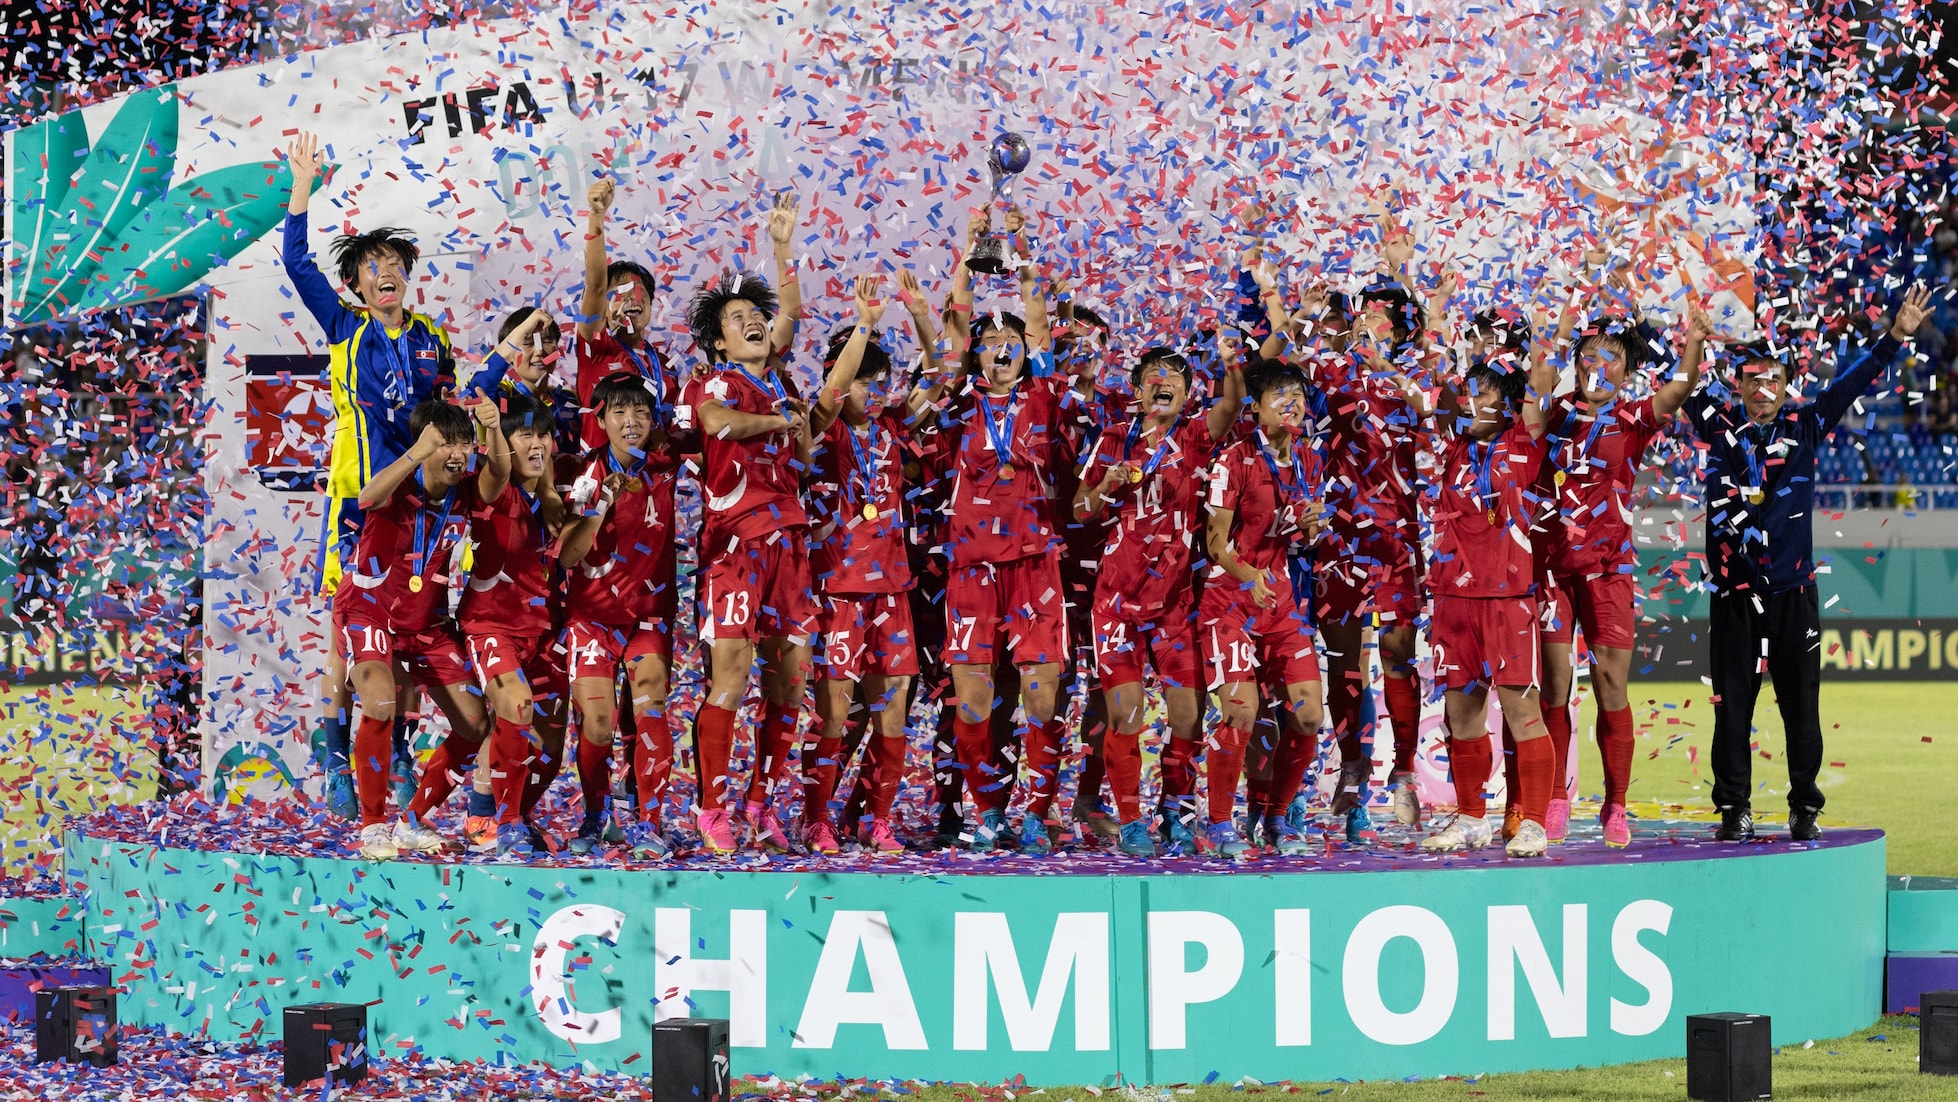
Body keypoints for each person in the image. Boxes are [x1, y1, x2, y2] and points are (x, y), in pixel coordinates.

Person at [1685, 283, 1929, 841]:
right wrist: (1694, 343)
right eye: (1753, 380)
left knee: (1801, 706)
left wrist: (1893, 337)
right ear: (1739, 386)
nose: (1763, 388)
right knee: (1732, 709)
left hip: (1793, 593)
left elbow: (1851, 384)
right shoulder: (1721, 431)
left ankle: (1804, 806)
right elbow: (1683, 387)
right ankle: (1735, 810)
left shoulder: (1805, 425)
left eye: (1773, 378)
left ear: (1785, 384)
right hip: (1733, 597)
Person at [283, 131, 456, 822]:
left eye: (394, 262)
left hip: (417, 512)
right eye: (371, 265)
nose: (385, 271)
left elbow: (445, 420)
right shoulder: (345, 327)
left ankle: (402, 749)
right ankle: (333, 755)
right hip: (358, 509)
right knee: (345, 645)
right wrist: (302, 186)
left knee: (407, 641)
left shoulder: (432, 338)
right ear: (355, 283)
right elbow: (296, 262)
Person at [1522, 301, 1704, 847]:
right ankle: (1556, 797)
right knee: (1555, 685)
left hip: (1609, 571)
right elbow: (1536, 386)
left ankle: (1616, 805)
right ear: (1578, 365)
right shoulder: (1552, 415)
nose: (1600, 365)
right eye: (1591, 356)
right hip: (1552, 571)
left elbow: (1680, 390)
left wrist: (1693, 341)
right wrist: (1556, 333)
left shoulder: (1634, 419)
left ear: (1625, 371)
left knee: (1610, 684)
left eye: (1612, 358)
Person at [676, 190, 811, 855]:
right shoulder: (713, 383)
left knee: (791, 679)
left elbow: (789, 315)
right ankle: (712, 807)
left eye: (755, 315)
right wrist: (781, 422)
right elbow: (718, 427)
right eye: (737, 317)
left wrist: (782, 247)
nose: (754, 322)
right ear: (716, 340)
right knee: (729, 677)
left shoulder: (776, 377)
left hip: (791, 544)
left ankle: (762, 800)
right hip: (734, 549)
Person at [1075, 344, 1244, 856]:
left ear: (1189, 392)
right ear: (1137, 390)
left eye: (1173, 375)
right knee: (1125, 714)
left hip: (1175, 604)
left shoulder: (1195, 437)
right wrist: (1104, 484)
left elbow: (1233, 406)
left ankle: (1173, 810)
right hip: (1117, 603)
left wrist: (1232, 362)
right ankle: (1130, 821)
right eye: (1151, 375)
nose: (1161, 381)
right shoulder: (1111, 440)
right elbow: (1080, 511)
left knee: (1187, 718)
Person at [1418, 322, 1559, 858]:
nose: (1474, 402)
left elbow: (1539, 384)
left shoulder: (1524, 444)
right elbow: (1435, 385)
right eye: (1470, 394)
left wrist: (1552, 326)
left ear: (1508, 404)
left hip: (1508, 600)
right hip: (1453, 600)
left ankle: (1534, 823)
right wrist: (1431, 308)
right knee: (1463, 714)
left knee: (1524, 713)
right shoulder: (1454, 449)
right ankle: (1473, 818)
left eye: (1487, 395)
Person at [333, 399, 488, 860]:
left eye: (463, 442)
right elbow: (365, 499)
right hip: (368, 610)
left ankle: (411, 821)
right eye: (446, 442)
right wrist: (416, 454)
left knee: (475, 722)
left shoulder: (466, 494)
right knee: (380, 702)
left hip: (426, 622)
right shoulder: (399, 481)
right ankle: (374, 827)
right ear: (425, 444)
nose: (457, 452)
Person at [804, 276, 925, 855]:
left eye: (882, 384)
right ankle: (817, 818)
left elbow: (945, 374)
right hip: (838, 592)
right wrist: (866, 325)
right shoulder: (819, 432)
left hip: (893, 592)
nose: (873, 393)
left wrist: (924, 311)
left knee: (892, 714)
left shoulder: (895, 428)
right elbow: (828, 397)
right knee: (832, 716)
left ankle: (878, 820)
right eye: (862, 382)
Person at [558, 371, 692, 857]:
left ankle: (649, 823)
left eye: (639, 411)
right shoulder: (582, 475)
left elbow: (711, 434)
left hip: (649, 616)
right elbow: (568, 557)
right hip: (591, 617)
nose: (631, 421)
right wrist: (599, 508)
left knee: (651, 704)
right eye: (619, 412)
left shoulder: (668, 461)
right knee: (597, 723)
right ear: (602, 421)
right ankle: (597, 816)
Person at [1198, 359, 1326, 858]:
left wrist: (1311, 527)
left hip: (1279, 601)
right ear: (1256, 407)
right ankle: (1215, 823)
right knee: (1241, 710)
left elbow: (1302, 537)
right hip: (1230, 599)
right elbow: (1215, 543)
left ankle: (1275, 818)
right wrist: (1248, 575)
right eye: (1280, 396)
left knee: (1309, 714)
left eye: (1297, 396)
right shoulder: (1232, 460)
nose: (1291, 404)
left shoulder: (1311, 461)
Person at [453, 392, 576, 858]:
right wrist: (491, 430)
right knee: (516, 708)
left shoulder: (559, 490)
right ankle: (496, 820)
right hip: (490, 623)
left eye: (543, 433)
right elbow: (500, 468)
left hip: (545, 627)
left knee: (551, 743)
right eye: (525, 433)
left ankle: (513, 814)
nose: (538, 442)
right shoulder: (491, 484)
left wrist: (557, 497)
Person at [467, 308, 582, 453]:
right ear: (510, 355)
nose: (539, 351)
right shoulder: (500, 397)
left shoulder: (570, 400)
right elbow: (477, 385)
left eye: (547, 341)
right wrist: (524, 328)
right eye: (528, 343)